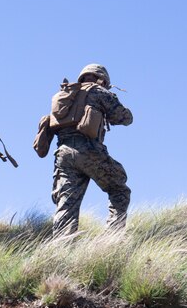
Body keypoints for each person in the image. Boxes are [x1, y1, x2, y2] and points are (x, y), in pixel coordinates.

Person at [44, 64, 134, 235]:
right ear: (102, 79)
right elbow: (124, 117)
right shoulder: (98, 91)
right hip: (88, 150)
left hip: (63, 154)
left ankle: (59, 250)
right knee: (119, 189)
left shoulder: (65, 94)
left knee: (67, 204)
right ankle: (112, 239)